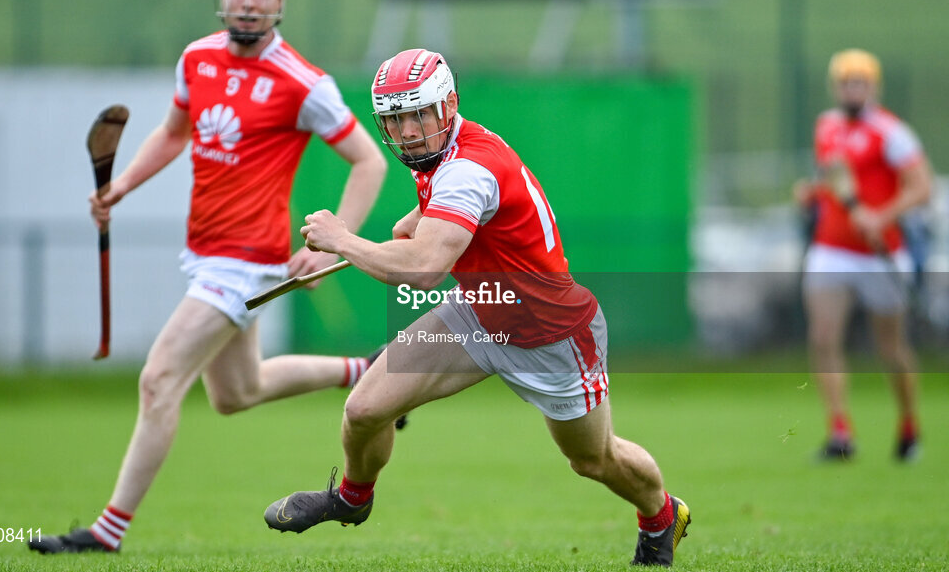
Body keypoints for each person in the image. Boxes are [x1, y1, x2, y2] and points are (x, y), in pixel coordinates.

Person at [262, 49, 691, 566]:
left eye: (417, 114)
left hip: (550, 335)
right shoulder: (445, 152)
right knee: (365, 409)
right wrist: (416, 221)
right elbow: (429, 225)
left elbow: (423, 268)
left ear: (447, 106)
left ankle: (661, 517)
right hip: (480, 310)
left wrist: (342, 240)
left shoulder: (468, 168)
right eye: (394, 120)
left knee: (593, 460)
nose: (407, 132)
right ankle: (353, 500)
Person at [28, 0, 388, 554]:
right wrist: (120, 188)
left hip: (249, 260)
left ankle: (106, 531)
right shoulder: (196, 59)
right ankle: (365, 370)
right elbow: (173, 134)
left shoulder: (303, 82)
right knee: (235, 394)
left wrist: (336, 249)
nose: (248, 3)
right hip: (206, 252)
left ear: (281, 1)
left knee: (159, 378)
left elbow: (368, 162)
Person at [794, 48, 931, 462]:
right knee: (822, 338)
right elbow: (832, 177)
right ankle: (840, 433)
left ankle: (908, 425)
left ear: (873, 87)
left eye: (861, 82)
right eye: (845, 82)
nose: (853, 89)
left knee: (891, 348)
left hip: (880, 252)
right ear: (836, 87)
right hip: (830, 249)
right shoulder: (827, 126)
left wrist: (882, 215)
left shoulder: (892, 133)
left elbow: (922, 187)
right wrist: (811, 191)